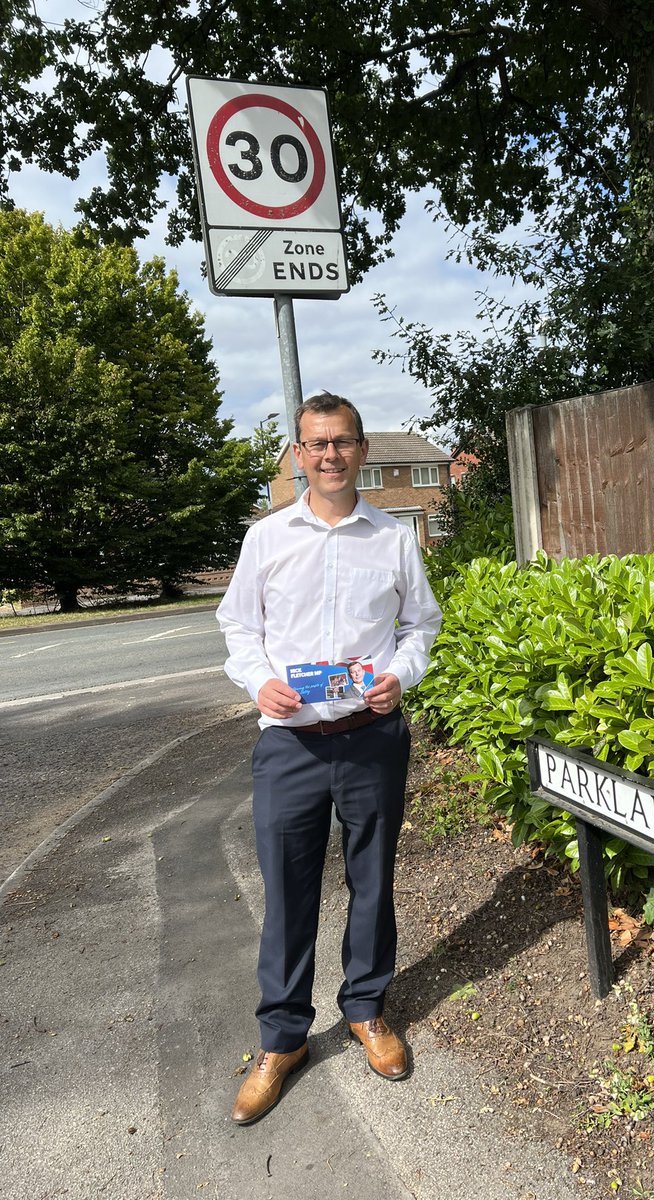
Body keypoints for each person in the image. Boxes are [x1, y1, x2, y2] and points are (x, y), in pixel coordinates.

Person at [217, 391, 441, 1124]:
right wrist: (261, 683)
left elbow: (422, 626)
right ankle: (282, 1038)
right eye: (316, 445)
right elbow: (238, 628)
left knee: (372, 880)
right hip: (289, 745)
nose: (330, 456)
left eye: (342, 442)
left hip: (371, 737)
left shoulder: (393, 538)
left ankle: (367, 1009)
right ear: (299, 455)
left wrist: (399, 678)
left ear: (361, 450)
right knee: (287, 892)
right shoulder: (268, 538)